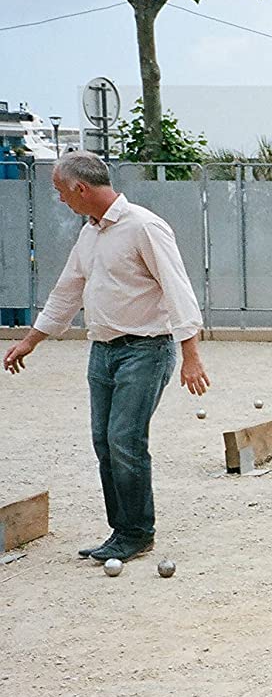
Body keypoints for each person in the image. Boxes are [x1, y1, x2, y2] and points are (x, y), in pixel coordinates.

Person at [3, 150, 211, 563]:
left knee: (125, 439)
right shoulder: (90, 234)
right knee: (104, 442)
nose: (60, 198)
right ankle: (122, 529)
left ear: (81, 187)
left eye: (61, 190)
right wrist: (31, 340)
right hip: (102, 350)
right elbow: (67, 291)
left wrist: (191, 354)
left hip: (145, 349)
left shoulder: (144, 227)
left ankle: (137, 532)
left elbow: (177, 288)